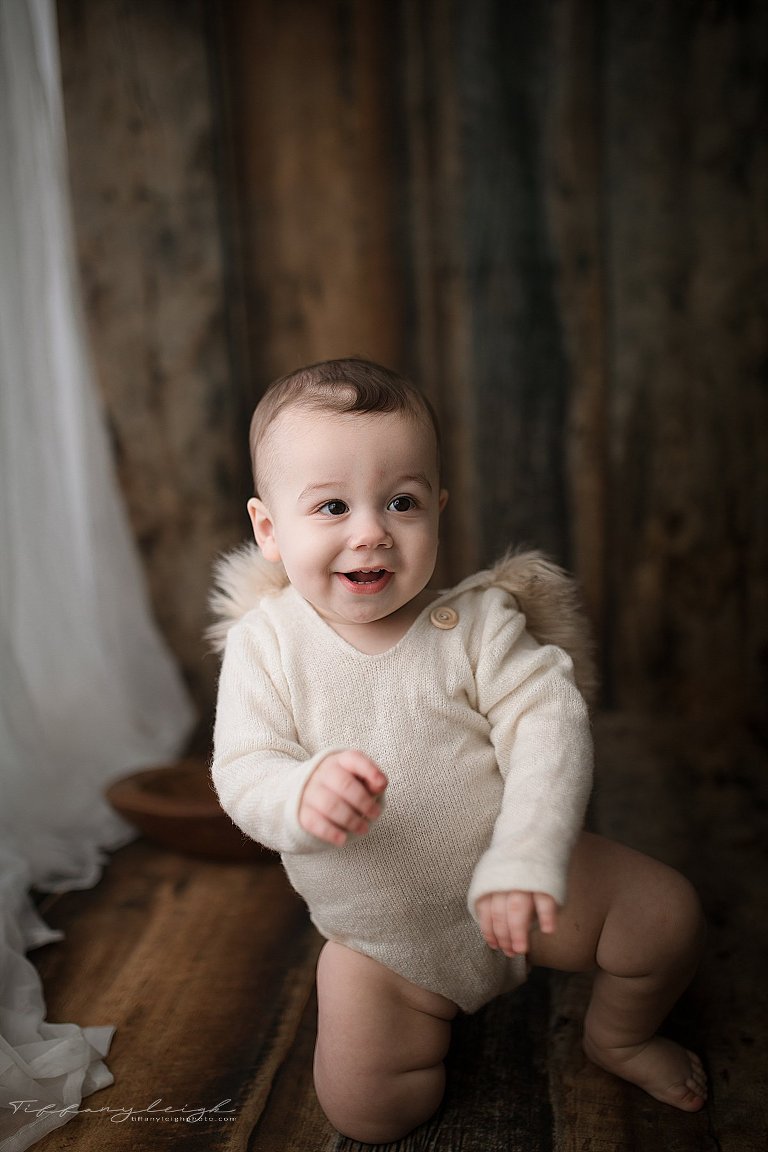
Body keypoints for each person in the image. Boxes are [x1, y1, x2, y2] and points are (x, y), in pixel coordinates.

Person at [210, 357, 707, 1144]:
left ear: (437, 509)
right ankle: (406, 1019)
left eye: (401, 501)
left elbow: (550, 728)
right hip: (385, 939)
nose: (370, 529)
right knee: (371, 1116)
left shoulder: (476, 627)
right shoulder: (266, 647)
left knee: (666, 918)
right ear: (270, 529)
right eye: (332, 505)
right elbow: (242, 770)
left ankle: (620, 1038)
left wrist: (526, 855)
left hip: (522, 889)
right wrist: (297, 792)